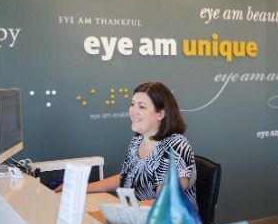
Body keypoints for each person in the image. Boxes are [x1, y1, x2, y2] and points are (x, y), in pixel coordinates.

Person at [57, 82, 197, 209]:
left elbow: (165, 202)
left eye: (141, 106)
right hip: (136, 218)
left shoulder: (177, 146)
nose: (132, 111)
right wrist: (81, 187)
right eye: (132, 104)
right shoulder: (137, 141)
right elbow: (125, 176)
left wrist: (118, 211)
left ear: (160, 114)